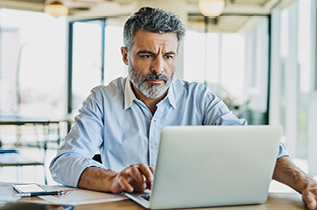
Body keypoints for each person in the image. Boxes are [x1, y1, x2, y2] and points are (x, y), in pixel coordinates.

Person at [50, 7, 317, 209]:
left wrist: (304, 183)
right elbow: (64, 163)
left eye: (168, 56)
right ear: (125, 55)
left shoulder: (199, 97)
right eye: (146, 56)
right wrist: (113, 180)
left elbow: (258, 149)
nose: (159, 69)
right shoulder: (102, 99)